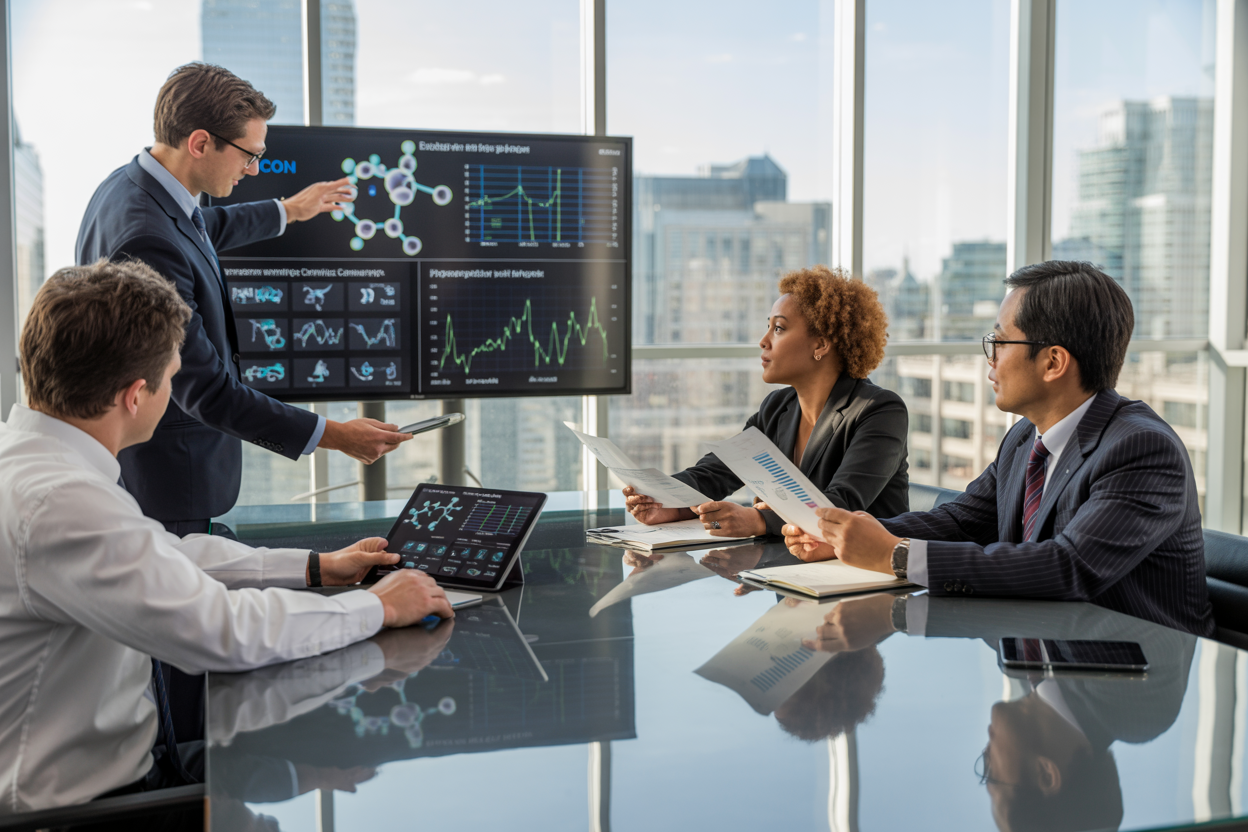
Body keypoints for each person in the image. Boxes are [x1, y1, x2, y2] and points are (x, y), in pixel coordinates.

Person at [0, 260, 454, 811]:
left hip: (109, 768)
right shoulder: (61, 502)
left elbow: (161, 555)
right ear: (135, 395)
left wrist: (316, 567)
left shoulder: (35, 466)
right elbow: (223, 633)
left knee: (264, 777)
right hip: (80, 807)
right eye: (171, 379)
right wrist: (375, 607)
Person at [783, 261, 1215, 637]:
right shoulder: (1027, 437)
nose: (990, 358)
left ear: (1053, 362)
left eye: (999, 342)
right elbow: (963, 520)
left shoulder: (1142, 450)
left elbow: (1066, 567)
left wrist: (893, 554)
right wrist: (846, 536)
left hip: (1127, 673)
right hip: (1039, 647)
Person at [76, 62, 410, 535]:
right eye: (248, 156)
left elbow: (197, 229)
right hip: (169, 480)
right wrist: (333, 435)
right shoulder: (148, 241)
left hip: (159, 473)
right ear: (199, 142)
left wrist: (289, 211)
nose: (254, 170)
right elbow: (206, 391)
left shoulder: (129, 186)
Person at [803, 592, 1196, 832]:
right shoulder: (1143, 711)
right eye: (993, 777)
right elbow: (1023, 585)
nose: (986, 759)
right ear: (1045, 772)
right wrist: (893, 615)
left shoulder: (1026, 669)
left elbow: (989, 592)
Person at [624, 265, 909, 538]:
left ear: (821, 344)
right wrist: (666, 502)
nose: (764, 341)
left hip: (865, 574)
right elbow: (718, 471)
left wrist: (759, 520)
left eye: (779, 329)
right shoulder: (778, 408)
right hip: (794, 570)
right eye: (768, 327)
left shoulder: (880, 411)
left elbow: (843, 503)